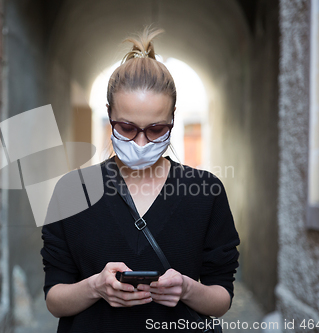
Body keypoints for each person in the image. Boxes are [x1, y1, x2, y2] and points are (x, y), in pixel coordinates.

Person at [40, 26, 240, 332]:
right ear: (109, 115)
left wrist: (187, 289)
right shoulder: (72, 191)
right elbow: (55, 300)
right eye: (127, 128)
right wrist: (95, 287)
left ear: (173, 118)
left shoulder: (206, 193)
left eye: (157, 129)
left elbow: (221, 298)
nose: (142, 143)